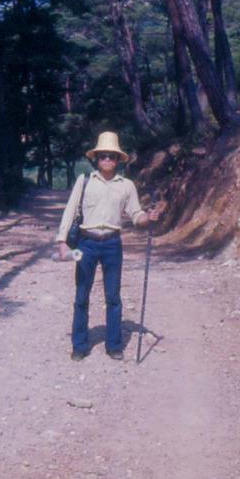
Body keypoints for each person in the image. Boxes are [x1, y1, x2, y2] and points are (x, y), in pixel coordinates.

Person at [55, 131, 161, 361]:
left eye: (111, 155)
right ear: (96, 158)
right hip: (86, 244)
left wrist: (148, 218)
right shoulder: (84, 181)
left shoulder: (127, 186)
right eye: (103, 155)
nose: (107, 159)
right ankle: (80, 345)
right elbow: (70, 211)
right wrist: (62, 242)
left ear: (118, 158)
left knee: (113, 296)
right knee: (82, 295)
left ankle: (114, 345)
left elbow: (136, 215)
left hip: (112, 243)